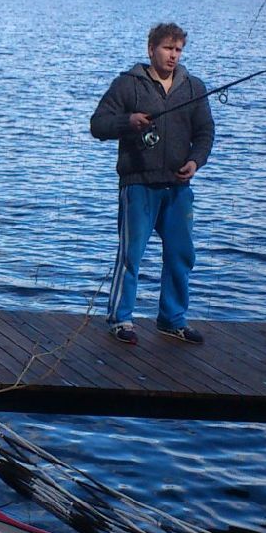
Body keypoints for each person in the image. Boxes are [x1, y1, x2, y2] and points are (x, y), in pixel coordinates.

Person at [90, 22, 214, 346]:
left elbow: (205, 133)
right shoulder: (128, 85)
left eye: (178, 50)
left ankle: (172, 320)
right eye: (167, 49)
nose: (173, 56)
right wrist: (127, 122)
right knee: (131, 254)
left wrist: (195, 161)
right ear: (151, 50)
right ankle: (120, 319)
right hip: (138, 185)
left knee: (181, 254)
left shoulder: (193, 88)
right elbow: (97, 125)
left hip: (177, 187)